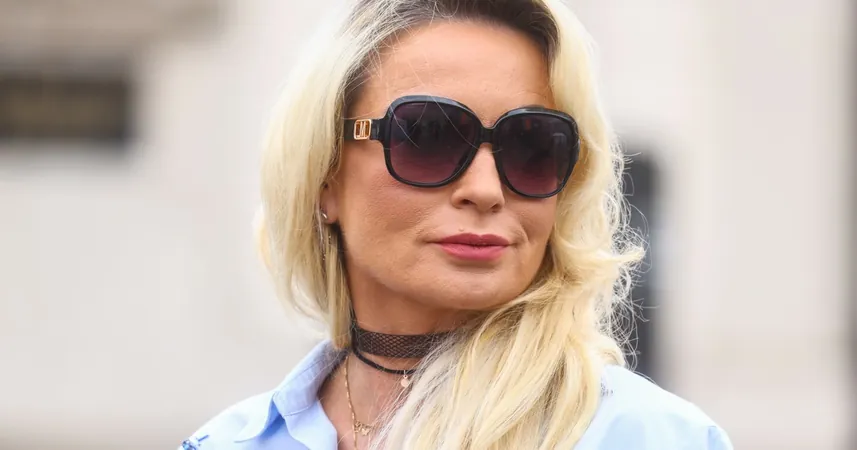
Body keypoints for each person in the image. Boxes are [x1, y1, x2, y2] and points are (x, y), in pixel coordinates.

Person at [180, 0, 732, 448]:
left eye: (532, 146)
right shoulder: (228, 444)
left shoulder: (654, 438)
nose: (486, 190)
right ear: (325, 175)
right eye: (427, 136)